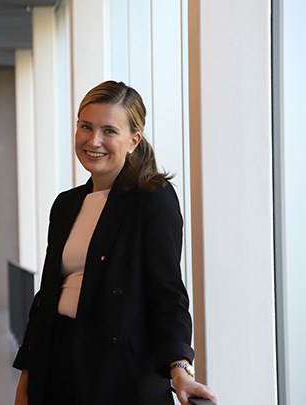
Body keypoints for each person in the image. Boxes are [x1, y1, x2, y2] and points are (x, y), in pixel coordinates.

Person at [13, 81, 218, 405]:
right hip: (57, 361)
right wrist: (26, 375)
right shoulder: (66, 204)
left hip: (117, 371)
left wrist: (180, 366)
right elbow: (47, 296)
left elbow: (167, 292)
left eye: (109, 130)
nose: (93, 141)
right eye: (86, 127)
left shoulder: (153, 198)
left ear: (133, 140)